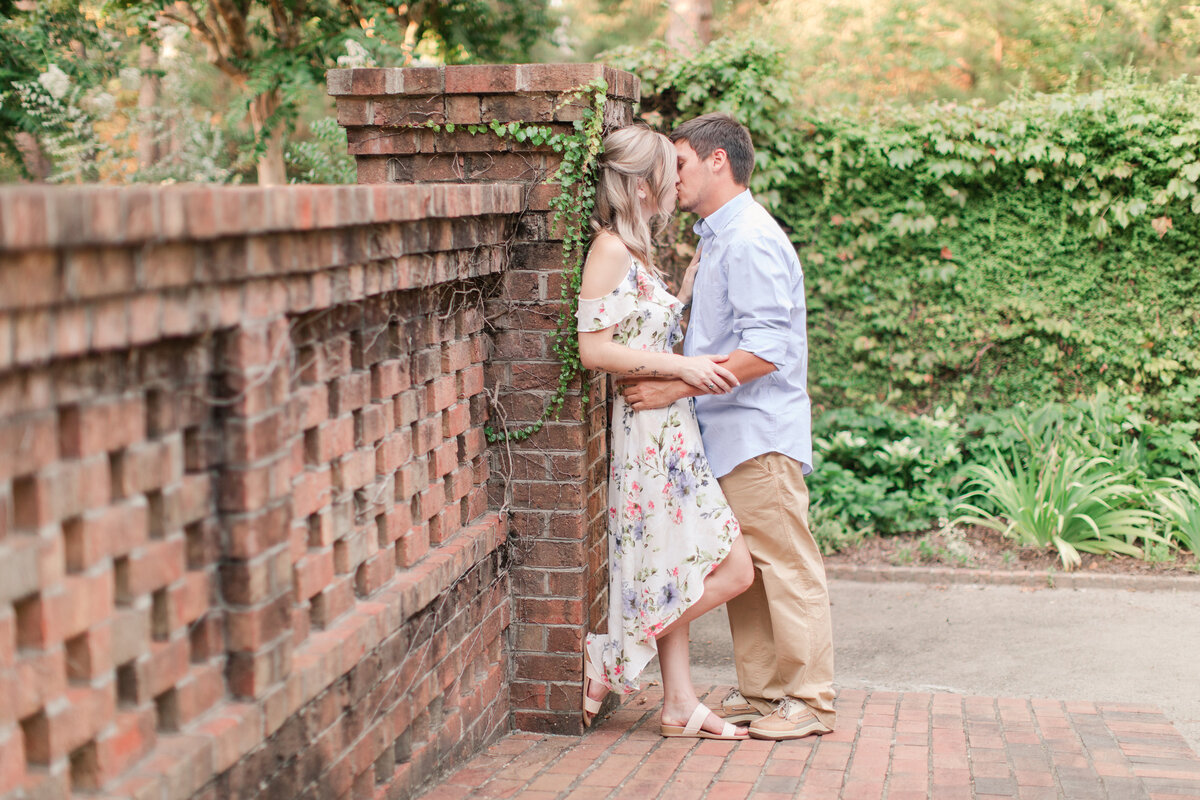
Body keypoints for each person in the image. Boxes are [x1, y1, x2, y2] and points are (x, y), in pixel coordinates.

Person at [620, 113, 836, 740]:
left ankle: (810, 700)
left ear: (719, 161)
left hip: (756, 431)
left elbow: (768, 348)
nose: (672, 175)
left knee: (785, 565)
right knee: (749, 570)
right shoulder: (718, 238)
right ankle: (769, 696)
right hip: (728, 431)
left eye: (681, 161)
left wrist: (673, 385)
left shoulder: (748, 239)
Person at [577, 125, 755, 740]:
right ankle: (617, 656)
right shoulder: (609, 248)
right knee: (733, 568)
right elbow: (594, 350)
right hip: (647, 431)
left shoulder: (639, 249)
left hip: (671, 428)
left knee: (676, 567)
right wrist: (683, 367)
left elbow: (643, 330)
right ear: (644, 180)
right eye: (668, 168)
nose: (678, 180)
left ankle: (677, 702)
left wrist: (680, 293)